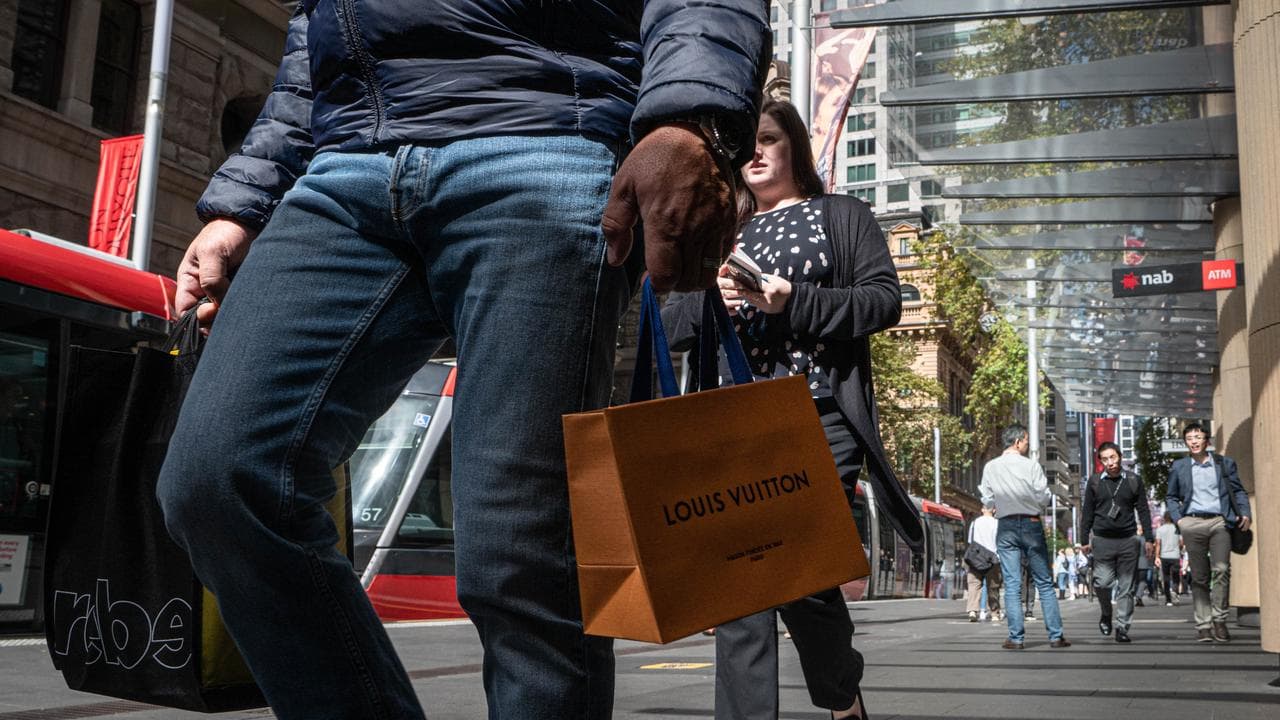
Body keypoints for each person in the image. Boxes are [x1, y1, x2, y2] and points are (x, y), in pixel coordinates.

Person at [153, 4, 771, 719]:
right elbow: (314, 32)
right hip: (344, 161)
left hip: (546, 129)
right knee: (217, 477)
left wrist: (691, 122)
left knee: (522, 554)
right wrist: (245, 199)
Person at [662, 98, 921, 720]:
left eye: (769, 138)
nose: (754, 152)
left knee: (803, 573)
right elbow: (672, 327)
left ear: (795, 148)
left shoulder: (841, 215)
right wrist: (710, 298)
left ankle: (840, 692)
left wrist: (792, 300)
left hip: (818, 413)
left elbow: (883, 301)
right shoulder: (721, 232)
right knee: (741, 586)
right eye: (744, 143)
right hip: (733, 423)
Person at [979, 424, 1069, 650]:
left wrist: (1001, 503)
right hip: (1031, 524)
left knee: (1012, 584)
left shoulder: (991, 467)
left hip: (1006, 525)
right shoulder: (1031, 466)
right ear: (1018, 442)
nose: (1027, 445)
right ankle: (1055, 636)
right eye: (1026, 441)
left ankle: (1016, 638)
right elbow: (1044, 497)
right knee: (1044, 582)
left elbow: (987, 500)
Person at [1166, 423, 1252, 643]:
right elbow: (1171, 496)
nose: (1194, 441)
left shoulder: (1224, 463)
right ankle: (1203, 624)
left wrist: (1245, 512)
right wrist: (1179, 520)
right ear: (1185, 442)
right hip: (1191, 523)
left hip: (1219, 522)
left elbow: (1238, 490)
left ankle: (1219, 620)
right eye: (1189, 438)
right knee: (1199, 576)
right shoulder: (1179, 466)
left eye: (1198, 437)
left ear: (1207, 440)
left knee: (1222, 569)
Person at [1081, 441, 1153, 643]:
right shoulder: (1095, 482)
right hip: (1102, 540)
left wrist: (1149, 538)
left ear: (1120, 456)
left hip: (1128, 540)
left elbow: (1143, 510)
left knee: (1126, 586)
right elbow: (1087, 512)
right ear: (1100, 461)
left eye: (1113, 457)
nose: (1110, 462)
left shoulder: (1133, 480)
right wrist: (1083, 539)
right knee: (1102, 582)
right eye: (1105, 459)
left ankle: (1122, 627)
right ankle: (1106, 612)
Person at [966, 506, 1002, 623]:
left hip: (976, 558)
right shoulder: (997, 523)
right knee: (993, 587)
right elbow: (1000, 541)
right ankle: (994, 613)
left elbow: (970, 541)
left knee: (974, 584)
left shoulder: (974, 523)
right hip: (992, 559)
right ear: (994, 510)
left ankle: (972, 611)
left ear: (982, 509)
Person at [1155, 513, 1182, 606]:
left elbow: (1158, 544)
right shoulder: (1177, 529)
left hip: (1164, 556)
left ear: (1164, 518)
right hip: (1175, 555)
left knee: (1166, 577)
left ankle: (1168, 600)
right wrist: (1178, 549)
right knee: (1176, 576)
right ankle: (1175, 591)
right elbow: (1181, 543)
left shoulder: (1160, 529)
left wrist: (1157, 556)